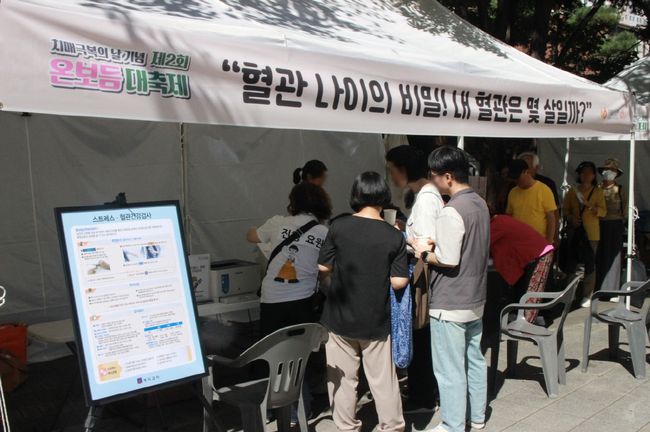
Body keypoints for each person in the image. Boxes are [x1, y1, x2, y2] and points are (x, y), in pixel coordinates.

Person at [318, 171, 409, 432]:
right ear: (384, 196)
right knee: (383, 381)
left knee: (342, 379)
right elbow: (399, 282)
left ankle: (347, 427)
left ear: (356, 194)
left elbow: (322, 267)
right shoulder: (393, 236)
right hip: (376, 318)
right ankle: (392, 427)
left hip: (339, 316)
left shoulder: (338, 226)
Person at [414, 146, 489, 432]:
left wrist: (422, 251)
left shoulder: (451, 210)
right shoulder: (479, 203)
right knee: (474, 360)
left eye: (433, 176)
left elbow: (447, 259)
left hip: (450, 301)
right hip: (476, 296)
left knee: (449, 369)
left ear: (447, 176)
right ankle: (477, 417)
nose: (432, 181)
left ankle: (453, 424)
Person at [386, 145, 443, 412]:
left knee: (420, 334)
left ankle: (424, 398)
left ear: (403, 169)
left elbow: (426, 244)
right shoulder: (425, 195)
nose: (391, 176)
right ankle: (423, 391)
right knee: (421, 335)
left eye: (391, 170)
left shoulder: (427, 198)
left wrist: (401, 236)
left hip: (422, 276)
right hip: (423, 274)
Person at [246, 182, 332, 337]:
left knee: (271, 345)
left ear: (293, 202)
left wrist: (254, 228)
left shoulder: (277, 222)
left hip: (272, 297)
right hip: (303, 298)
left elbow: (251, 236)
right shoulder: (324, 232)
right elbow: (325, 269)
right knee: (299, 344)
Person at [490, 214, 554, 322]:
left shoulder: (496, 225)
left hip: (538, 254)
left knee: (532, 292)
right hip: (534, 254)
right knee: (525, 288)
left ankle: (526, 322)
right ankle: (522, 317)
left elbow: (481, 244)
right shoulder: (500, 220)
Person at [563, 161, 606, 307]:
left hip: (592, 234)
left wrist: (590, 206)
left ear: (594, 175)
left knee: (590, 265)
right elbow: (565, 210)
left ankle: (587, 295)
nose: (586, 175)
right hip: (575, 232)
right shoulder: (572, 191)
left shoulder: (598, 192)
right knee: (572, 264)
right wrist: (571, 218)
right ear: (579, 175)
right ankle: (569, 294)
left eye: (589, 173)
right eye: (583, 173)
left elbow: (603, 212)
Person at [506, 159, 557, 244]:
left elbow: (551, 219)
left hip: (538, 242)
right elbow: (509, 216)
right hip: (517, 242)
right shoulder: (513, 192)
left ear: (526, 172)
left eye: (518, 178)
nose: (516, 181)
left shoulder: (544, 190)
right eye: (514, 179)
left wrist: (548, 242)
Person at [596, 158, 627, 295]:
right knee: (599, 256)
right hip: (598, 225)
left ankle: (612, 290)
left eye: (613, 170)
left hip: (615, 224)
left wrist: (623, 222)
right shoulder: (597, 189)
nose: (609, 172)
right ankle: (598, 288)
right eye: (607, 169)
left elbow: (626, 207)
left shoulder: (620, 189)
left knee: (614, 257)